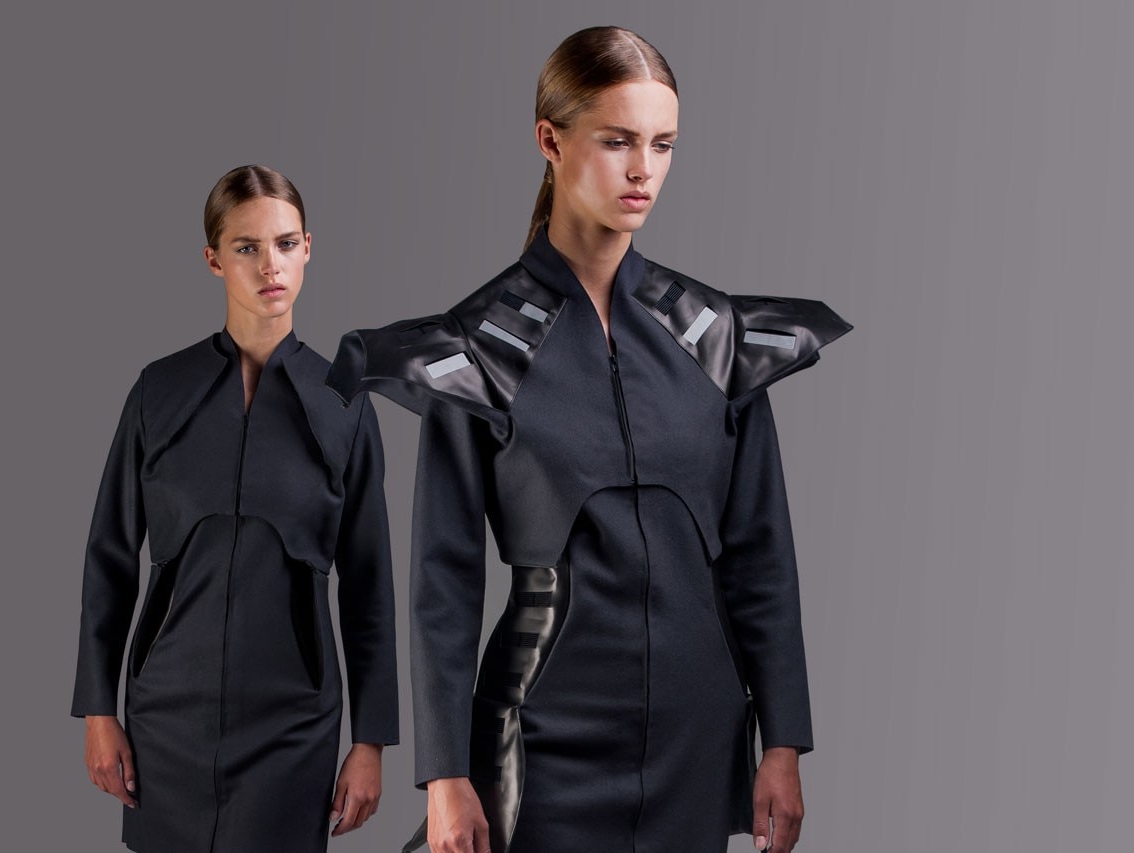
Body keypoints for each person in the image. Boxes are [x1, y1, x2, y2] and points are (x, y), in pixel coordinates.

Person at [328, 27, 849, 853]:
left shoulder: (718, 340)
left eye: (662, 144)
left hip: (697, 740)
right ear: (550, 140)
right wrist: (446, 774)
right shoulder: (478, 351)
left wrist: (782, 740)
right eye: (617, 141)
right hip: (541, 740)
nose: (643, 169)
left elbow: (762, 556)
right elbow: (443, 580)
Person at [71, 165, 399, 852]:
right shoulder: (159, 390)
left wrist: (370, 741)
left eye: (285, 244)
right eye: (246, 247)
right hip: (167, 714)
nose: (269, 265)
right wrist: (99, 710)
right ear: (214, 259)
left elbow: (369, 585)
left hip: (294, 718)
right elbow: (109, 556)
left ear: (307, 249)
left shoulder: (343, 402)